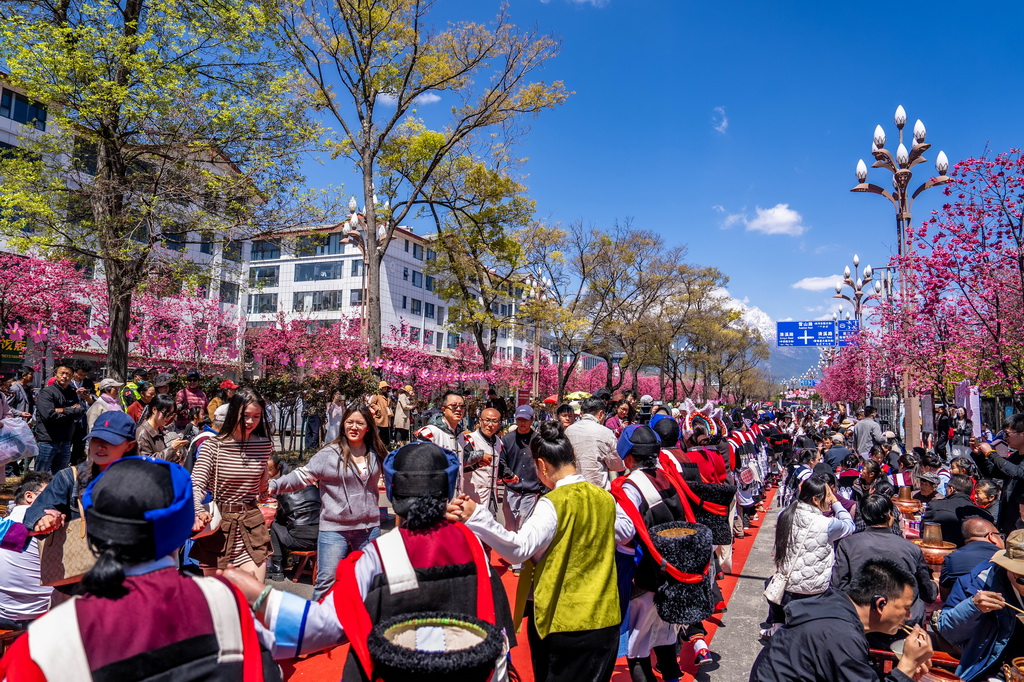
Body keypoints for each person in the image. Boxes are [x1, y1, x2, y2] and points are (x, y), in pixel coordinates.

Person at [224, 442, 517, 681]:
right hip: (468, 671)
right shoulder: (472, 543)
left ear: (392, 491)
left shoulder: (379, 554)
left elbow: (322, 625)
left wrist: (260, 596)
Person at [2, 457, 280, 680]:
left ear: (94, 531)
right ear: (184, 528)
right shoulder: (227, 604)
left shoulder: (45, 642)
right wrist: (264, 598)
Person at [452, 422, 629, 682]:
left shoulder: (553, 503)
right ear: (574, 458)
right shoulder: (604, 497)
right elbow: (625, 531)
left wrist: (477, 516)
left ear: (542, 466)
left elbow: (519, 548)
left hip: (565, 620)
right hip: (605, 616)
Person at [612, 425, 701, 679]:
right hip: (669, 568)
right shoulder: (664, 475)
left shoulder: (632, 485)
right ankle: (672, 677)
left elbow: (625, 532)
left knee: (637, 644)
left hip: (641, 571)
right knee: (664, 633)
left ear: (628, 456)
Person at [268, 404, 384, 600]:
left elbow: (394, 479)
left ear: (368, 427)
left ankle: (362, 626)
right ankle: (317, 626)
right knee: (326, 582)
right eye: (349, 422)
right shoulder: (329, 454)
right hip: (334, 529)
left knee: (369, 580)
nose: (353, 427)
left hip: (368, 528)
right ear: (343, 425)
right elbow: (302, 475)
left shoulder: (376, 453)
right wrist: (274, 485)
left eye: (359, 423)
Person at [750, 559, 935, 682]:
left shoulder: (836, 605)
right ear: (880, 604)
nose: (909, 616)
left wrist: (907, 673)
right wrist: (907, 665)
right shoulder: (841, 634)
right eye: (906, 608)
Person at [190, 387, 274, 581]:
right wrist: (197, 510)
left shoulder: (264, 444)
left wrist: (266, 493)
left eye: (256, 416)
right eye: (245, 416)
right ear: (233, 412)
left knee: (252, 597)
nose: (251, 422)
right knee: (220, 600)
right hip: (219, 526)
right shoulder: (213, 445)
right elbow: (197, 484)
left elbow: (262, 485)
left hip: (251, 524)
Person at [762, 474, 855, 636]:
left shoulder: (784, 515)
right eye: (828, 497)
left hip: (787, 588)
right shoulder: (827, 524)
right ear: (815, 500)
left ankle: (777, 626)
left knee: (770, 580)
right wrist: (837, 503)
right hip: (814, 590)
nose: (830, 500)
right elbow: (849, 525)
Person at [832, 495, 937, 626]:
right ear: (889, 515)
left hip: (860, 619)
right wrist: (934, 587)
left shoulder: (848, 544)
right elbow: (927, 592)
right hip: (903, 621)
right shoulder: (911, 548)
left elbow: (838, 585)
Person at [939, 529, 1024, 681]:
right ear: (1008, 568)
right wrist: (972, 607)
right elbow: (947, 631)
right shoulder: (978, 583)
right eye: (1022, 579)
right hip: (993, 669)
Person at [0, 473, 53, 630]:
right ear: (29, 496)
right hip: (39, 618)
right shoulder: (49, 524)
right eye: (50, 494)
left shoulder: (6, 525)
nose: (57, 499)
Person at [499, 405, 548, 570]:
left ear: (532, 420)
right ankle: (513, 554)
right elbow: (502, 461)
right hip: (511, 487)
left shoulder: (537, 440)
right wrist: (507, 474)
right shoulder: (507, 440)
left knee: (523, 524)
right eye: (519, 419)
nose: (522, 423)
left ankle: (519, 559)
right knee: (510, 524)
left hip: (531, 489)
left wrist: (542, 486)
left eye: (525, 420)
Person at [265, 455, 320, 582]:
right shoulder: (308, 483)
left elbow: (280, 517)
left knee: (275, 525)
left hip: (300, 541)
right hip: (319, 537)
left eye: (269, 469)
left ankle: (277, 567)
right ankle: (303, 564)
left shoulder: (284, 489)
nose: (267, 473)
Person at [31, 361, 86, 474]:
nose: (65, 376)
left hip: (66, 441)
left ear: (72, 376)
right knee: (40, 476)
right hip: (48, 441)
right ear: (56, 374)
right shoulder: (47, 392)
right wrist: (71, 411)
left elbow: (80, 411)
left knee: (60, 477)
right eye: (62, 373)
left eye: (68, 374)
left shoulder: (72, 392)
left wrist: (63, 410)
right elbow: (49, 416)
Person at [971, 418, 1024, 534]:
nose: (1005, 438)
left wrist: (991, 453)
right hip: (1009, 519)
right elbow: (994, 472)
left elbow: (1018, 472)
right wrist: (979, 455)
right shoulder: (1015, 456)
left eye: (1008, 434)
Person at [565, 396, 623, 491]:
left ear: (582, 413)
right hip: (598, 490)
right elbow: (617, 465)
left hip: (573, 489)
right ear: (600, 414)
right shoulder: (606, 433)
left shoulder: (568, 431)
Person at [939, 517, 1003, 600]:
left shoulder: (951, 559)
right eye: (1000, 536)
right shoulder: (1004, 557)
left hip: (963, 608)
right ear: (991, 536)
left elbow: (945, 597)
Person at [922, 474, 993, 547]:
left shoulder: (935, 506)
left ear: (951, 490)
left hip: (939, 554)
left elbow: (923, 534)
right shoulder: (984, 515)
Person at [462, 407, 505, 515]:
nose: (490, 424)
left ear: (499, 423)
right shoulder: (469, 439)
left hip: (491, 498)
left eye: (494, 421)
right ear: (480, 421)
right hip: (472, 497)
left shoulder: (499, 443)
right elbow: (462, 462)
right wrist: (477, 460)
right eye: (487, 420)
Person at [135, 394, 189, 463]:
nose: (169, 418)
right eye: (166, 414)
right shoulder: (142, 432)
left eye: (172, 414)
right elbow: (146, 462)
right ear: (154, 410)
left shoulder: (158, 430)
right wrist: (172, 449)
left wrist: (175, 455)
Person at [368, 381, 393, 448]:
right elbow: (372, 403)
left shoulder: (388, 395)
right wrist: (378, 409)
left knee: (386, 432)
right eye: (384, 387)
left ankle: (385, 446)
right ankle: (379, 446)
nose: (385, 388)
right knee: (380, 432)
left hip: (387, 416)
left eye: (386, 387)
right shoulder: (377, 395)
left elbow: (390, 404)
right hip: (380, 417)